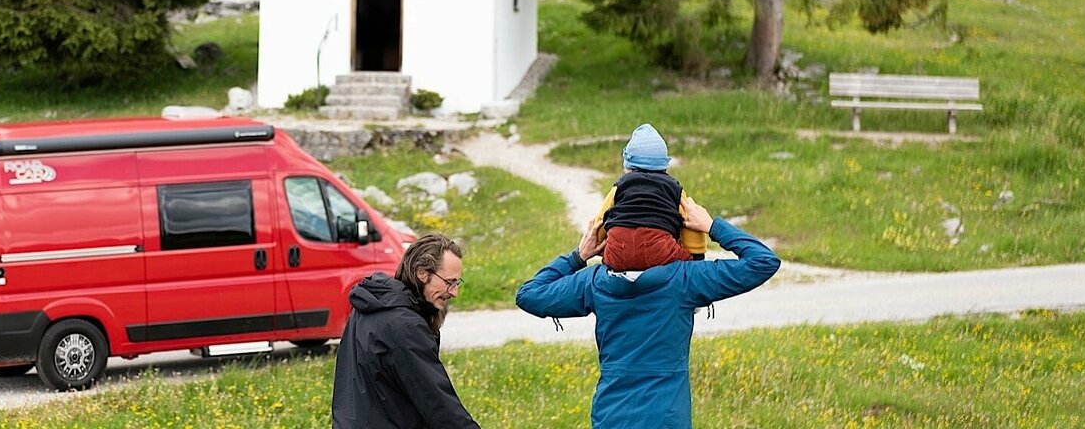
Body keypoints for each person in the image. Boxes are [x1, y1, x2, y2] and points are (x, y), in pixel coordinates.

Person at [516, 197, 780, 429]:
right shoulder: (685, 280)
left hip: (611, 417)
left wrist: (578, 256)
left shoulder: (594, 283)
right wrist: (712, 227)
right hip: (667, 418)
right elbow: (763, 261)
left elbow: (529, 294)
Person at [331, 234, 480, 429]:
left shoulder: (370, 306)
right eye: (448, 282)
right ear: (422, 273)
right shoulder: (405, 327)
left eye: (457, 283)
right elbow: (439, 405)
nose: (454, 292)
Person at [589, 123, 706, 271]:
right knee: (685, 259)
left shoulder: (620, 186)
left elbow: (600, 220)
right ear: (664, 165)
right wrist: (696, 254)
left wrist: (599, 242)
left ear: (628, 166)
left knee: (612, 250)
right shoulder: (673, 188)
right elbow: (690, 218)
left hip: (620, 254)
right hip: (659, 253)